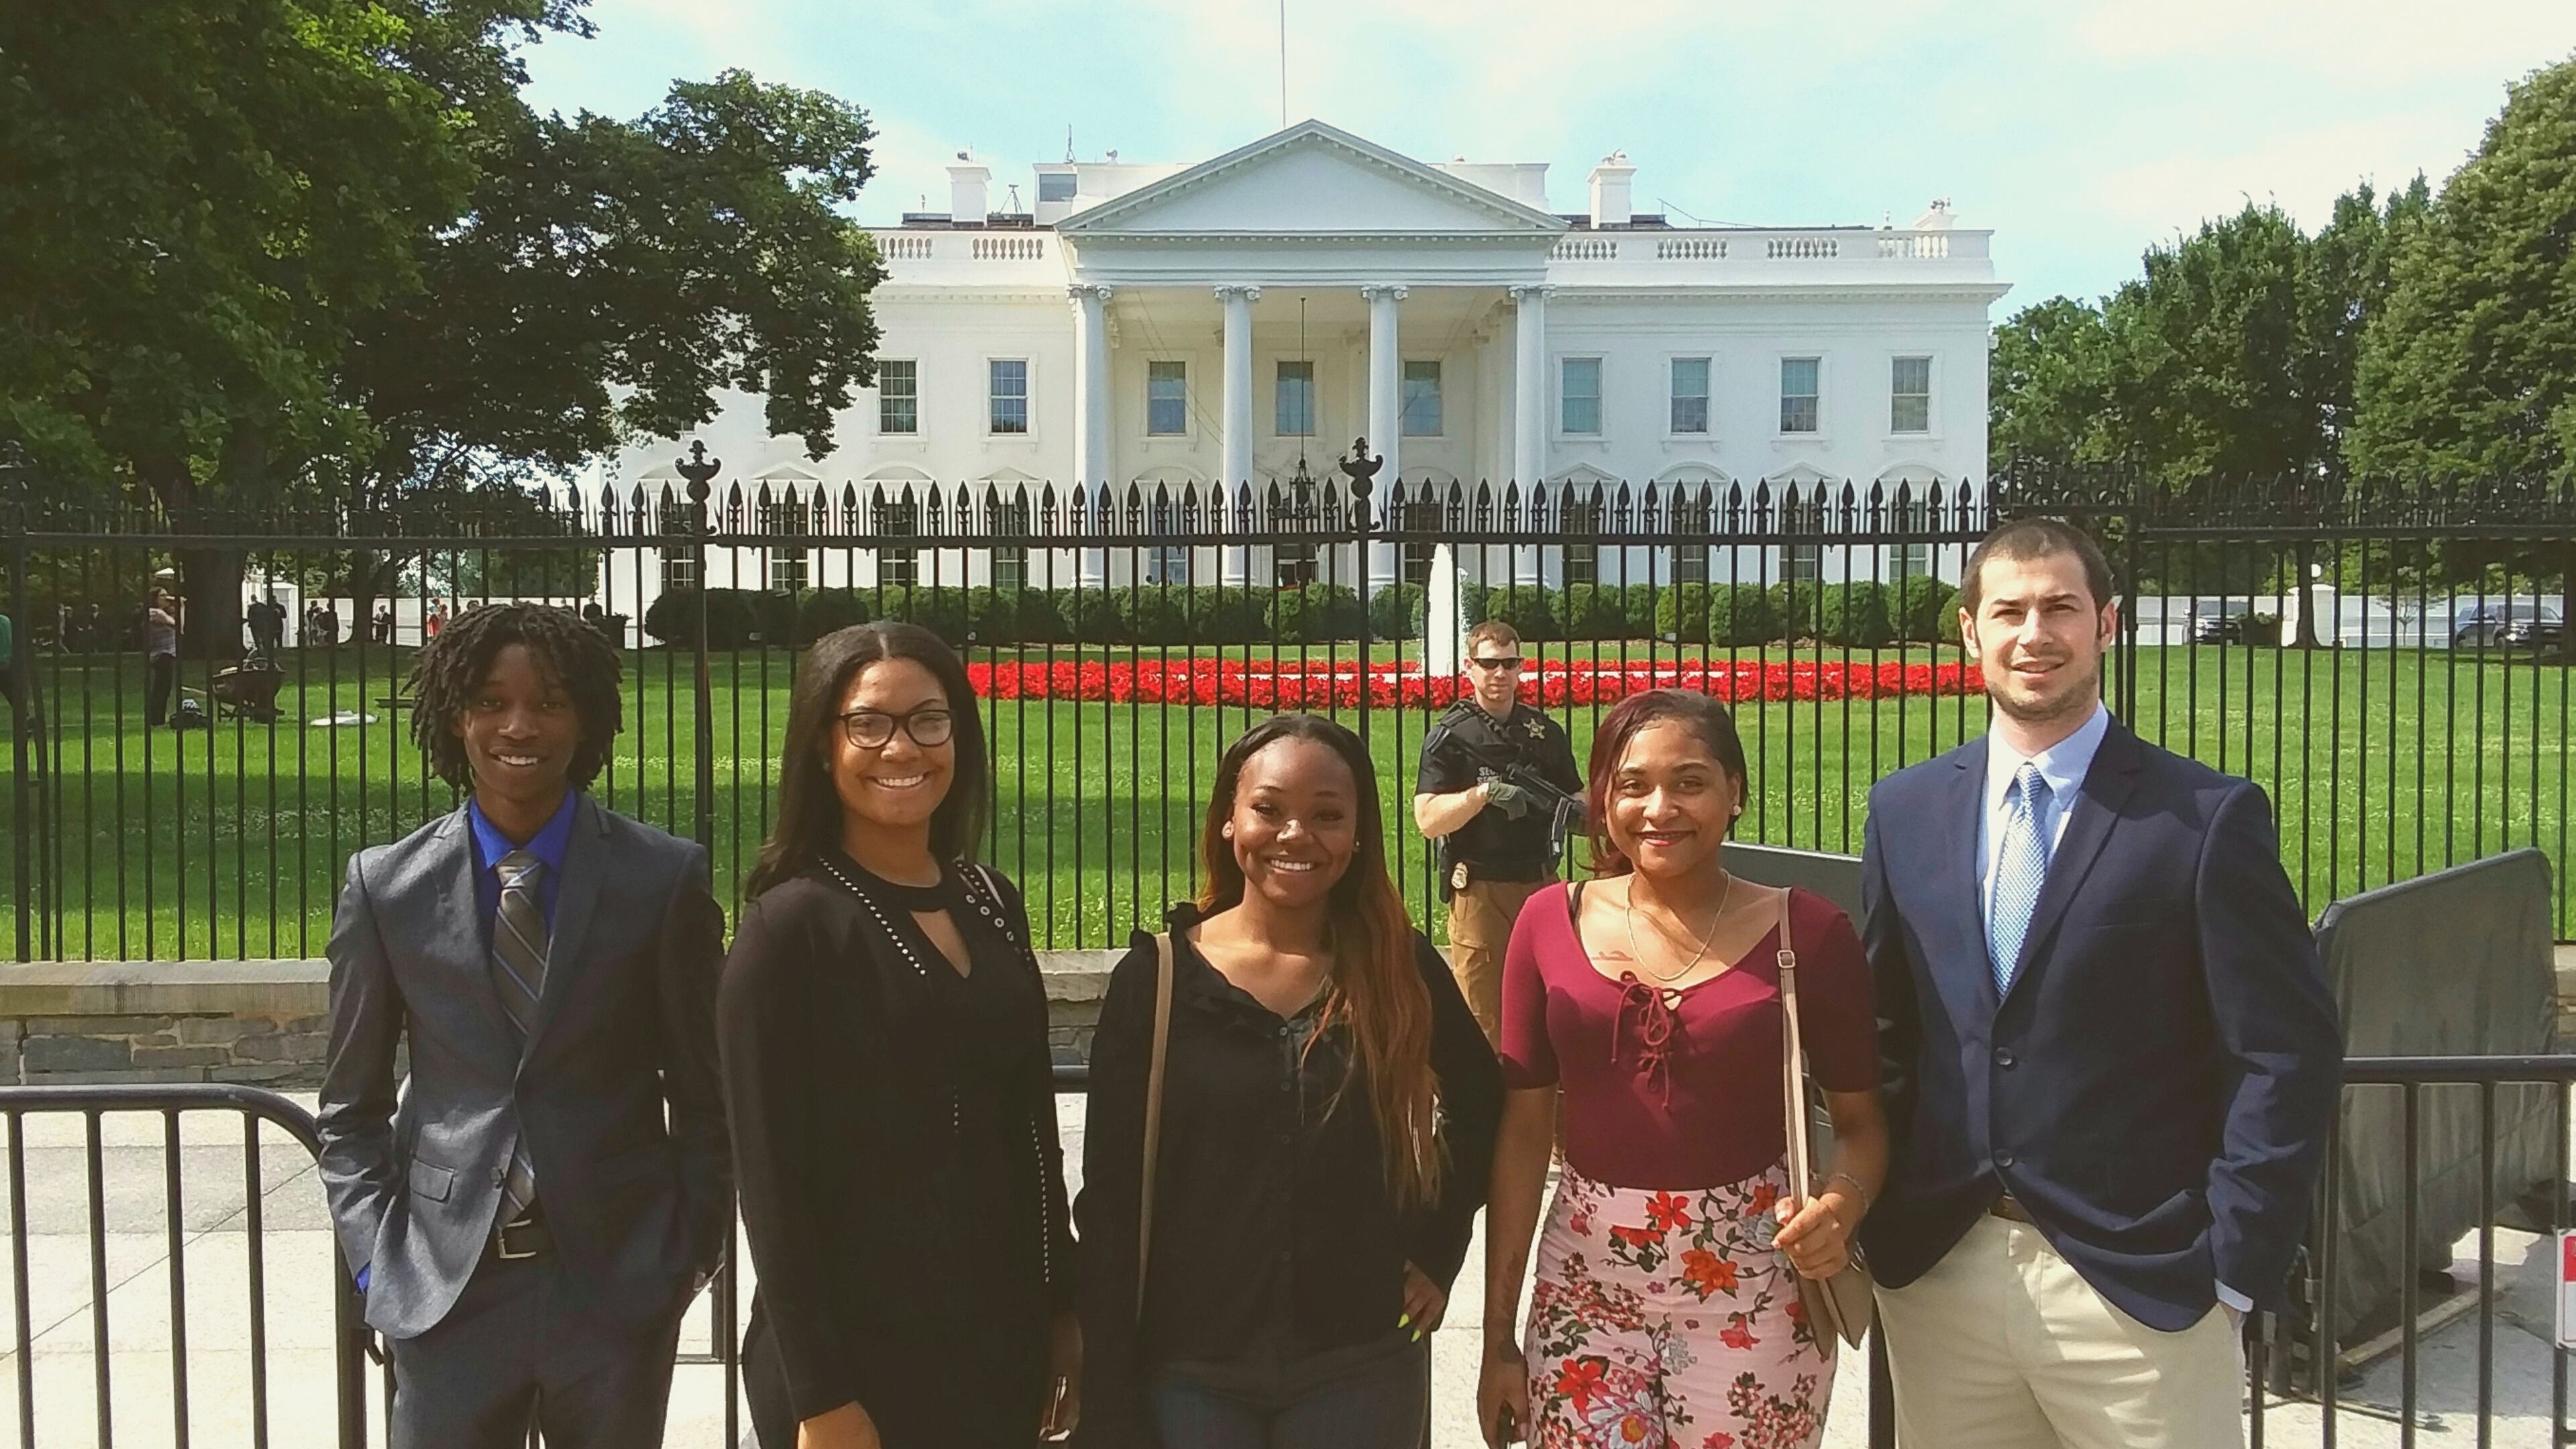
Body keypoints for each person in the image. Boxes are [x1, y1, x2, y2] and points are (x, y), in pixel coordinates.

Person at [1858, 519, 2343, 1449]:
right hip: (1945, 1273)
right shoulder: (1905, 810)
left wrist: (2232, 1267)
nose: (2033, 633)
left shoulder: (2204, 819)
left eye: (2060, 608)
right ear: (1969, 631)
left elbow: (2284, 1051)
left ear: (2107, 625)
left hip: (2143, 1288)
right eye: (2009, 610)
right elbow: (1885, 1036)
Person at [314, 603, 731, 1449]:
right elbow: (348, 1110)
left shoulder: (662, 879)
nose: (519, 725)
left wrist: (687, 1253)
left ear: (587, 719)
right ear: (454, 715)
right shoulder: (387, 889)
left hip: (614, 1282)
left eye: (548, 701)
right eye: (490, 701)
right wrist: (374, 1259)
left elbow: (707, 1095)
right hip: (445, 1286)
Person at [1075, 714, 1501, 1446]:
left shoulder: (1396, 965)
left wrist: (1438, 1247)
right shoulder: (1159, 980)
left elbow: (1481, 1098)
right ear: (1229, 820)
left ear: (1359, 832)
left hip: (1359, 1362)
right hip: (1192, 1366)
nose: (1296, 835)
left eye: (1327, 816)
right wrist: (1106, 1379)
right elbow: (1112, 1196)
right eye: (1269, 809)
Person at [1479, 688, 1885, 1449]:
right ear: (1601, 799)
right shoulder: (1547, 924)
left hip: (1757, 1289)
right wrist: (1499, 1338)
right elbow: (1524, 1133)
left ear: (1735, 793)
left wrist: (1841, 1206)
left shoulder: (1808, 932)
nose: (1660, 807)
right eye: (1632, 785)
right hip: (1586, 1290)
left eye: (1690, 782)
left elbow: (1862, 1128)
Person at [718, 621, 1079, 1449]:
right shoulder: (790, 929)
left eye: (929, 718)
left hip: (995, 1336)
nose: (902, 746)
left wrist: (1064, 1306)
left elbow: (1030, 1129)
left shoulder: (991, 900)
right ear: (821, 742)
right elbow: (770, 1186)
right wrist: (821, 1396)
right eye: (868, 723)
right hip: (854, 1357)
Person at [1413, 620, 1584, 1046]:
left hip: (1541, 882)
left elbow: (1577, 793)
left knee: (1552, 1008)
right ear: (1469, 667)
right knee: (1485, 1017)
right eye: (1490, 664)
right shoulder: (1450, 738)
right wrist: (1483, 796)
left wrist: (1579, 811)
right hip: (1481, 890)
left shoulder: (1543, 733)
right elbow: (1428, 818)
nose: (1500, 675)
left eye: (1510, 664)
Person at [143, 588, 180, 727]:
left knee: (164, 687)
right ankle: (156, 719)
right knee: (161, 688)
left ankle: (157, 718)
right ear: (155, 598)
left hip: (167, 653)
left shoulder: (161, 613)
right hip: (162, 654)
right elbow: (178, 626)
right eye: (162, 596)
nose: (166, 598)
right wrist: (181, 607)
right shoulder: (156, 613)